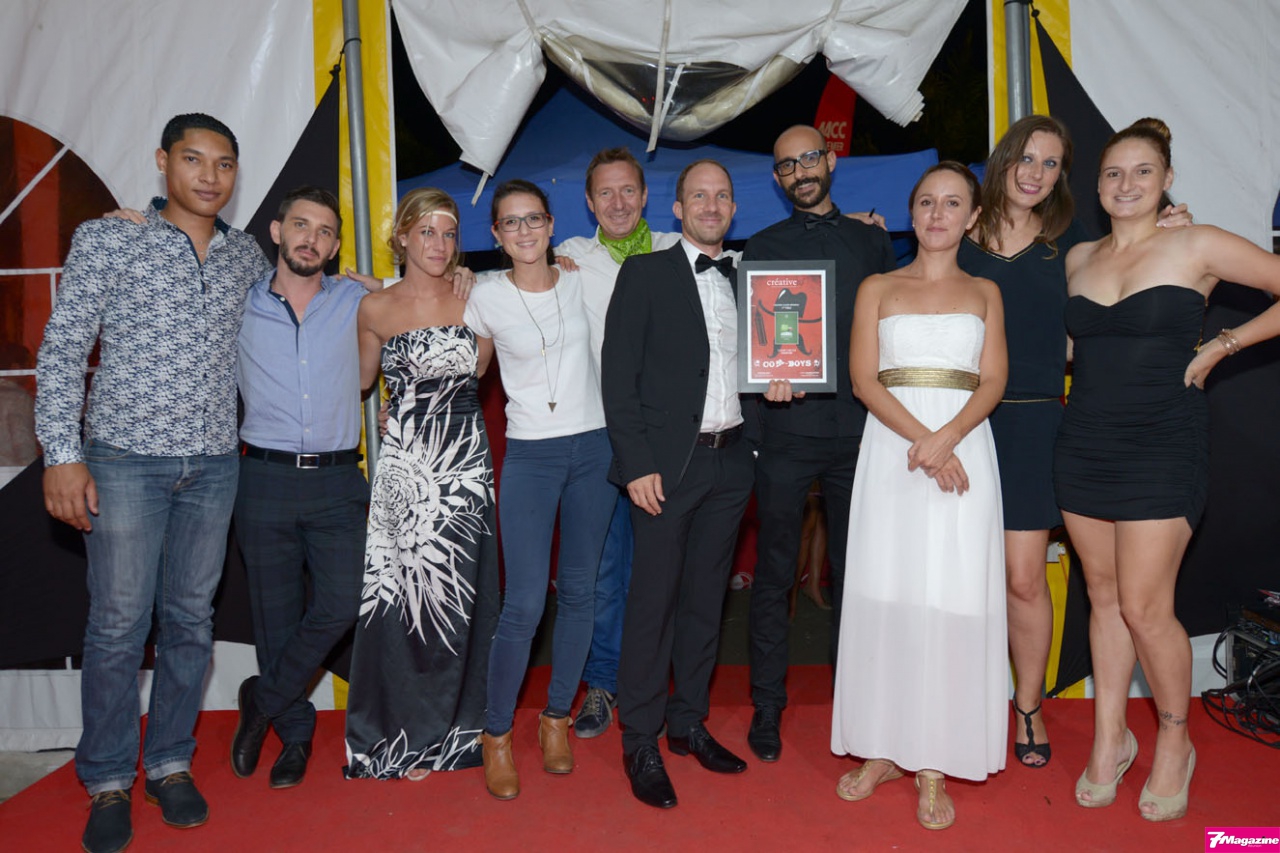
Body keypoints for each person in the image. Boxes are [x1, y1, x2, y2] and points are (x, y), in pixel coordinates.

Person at [35, 113, 269, 853]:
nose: (210, 175)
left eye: (224, 164)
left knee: (192, 623)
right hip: (123, 461)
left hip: (214, 465)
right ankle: (108, 778)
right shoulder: (110, 238)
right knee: (117, 626)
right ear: (163, 162)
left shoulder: (246, 257)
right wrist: (61, 454)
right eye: (194, 159)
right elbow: (63, 348)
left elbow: (297, 308)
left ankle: (170, 763)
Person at [1055, 118, 1280, 821]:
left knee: (1146, 606)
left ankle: (1175, 741)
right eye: (1113, 173)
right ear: (1097, 185)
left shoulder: (1196, 243)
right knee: (1103, 595)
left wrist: (1225, 343)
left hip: (1163, 443)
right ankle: (1111, 738)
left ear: (1168, 179)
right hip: (1084, 442)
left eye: (1142, 171)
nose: (1126, 184)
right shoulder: (1078, 257)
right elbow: (1069, 348)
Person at [960, 115, 1193, 769]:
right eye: (1025, 158)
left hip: (1034, 425)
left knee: (1023, 580)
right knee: (954, 578)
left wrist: (1172, 230)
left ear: (1064, 175)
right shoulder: (957, 234)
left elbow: (1121, 288)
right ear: (1003, 160)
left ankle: (1028, 706)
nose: (1035, 173)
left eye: (1051, 163)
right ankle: (954, 705)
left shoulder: (1072, 245)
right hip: (958, 425)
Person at [831, 162, 1007, 831]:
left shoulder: (986, 291)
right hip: (893, 452)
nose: (938, 213)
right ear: (912, 213)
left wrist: (948, 438)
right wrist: (926, 442)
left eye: (953, 203)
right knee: (886, 592)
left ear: (973, 217)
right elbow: (863, 378)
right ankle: (881, 744)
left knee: (951, 597)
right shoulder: (877, 286)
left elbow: (994, 379)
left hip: (965, 452)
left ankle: (935, 759)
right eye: (927, 202)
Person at [603, 159, 756, 809]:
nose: (711, 205)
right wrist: (637, 462)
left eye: (722, 196)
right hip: (664, 470)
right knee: (653, 605)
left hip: (732, 462)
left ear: (733, 208)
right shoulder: (644, 273)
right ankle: (639, 738)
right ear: (677, 207)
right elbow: (618, 375)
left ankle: (687, 721)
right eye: (699, 195)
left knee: (705, 602)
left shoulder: (751, 278)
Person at [741, 125, 896, 763]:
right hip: (786, 434)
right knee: (774, 574)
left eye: (809, 158)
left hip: (861, 433)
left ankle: (857, 706)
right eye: (786, 166)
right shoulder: (761, 247)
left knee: (858, 575)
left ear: (830, 160)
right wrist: (764, 386)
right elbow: (753, 343)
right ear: (778, 179)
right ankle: (766, 705)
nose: (800, 172)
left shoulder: (874, 241)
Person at [463, 179, 616, 799]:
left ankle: (556, 719)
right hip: (530, 455)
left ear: (552, 225)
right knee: (524, 602)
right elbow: (467, 370)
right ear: (496, 235)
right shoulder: (483, 297)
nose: (524, 230)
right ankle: (496, 733)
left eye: (534, 219)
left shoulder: (582, 278)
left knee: (580, 592)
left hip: (595, 448)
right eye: (511, 222)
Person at [343, 188, 500, 781]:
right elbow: (361, 382)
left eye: (449, 232)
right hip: (405, 472)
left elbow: (479, 369)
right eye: (427, 231)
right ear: (402, 236)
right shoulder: (374, 309)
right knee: (406, 603)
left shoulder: (477, 300)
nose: (439, 243)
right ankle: (402, 732)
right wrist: (397, 407)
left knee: (459, 601)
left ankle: (457, 730)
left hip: (463, 473)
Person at [228, 186, 371, 790]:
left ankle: (261, 700)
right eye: (301, 225)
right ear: (277, 231)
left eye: (325, 231)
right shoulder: (236, 300)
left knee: (344, 603)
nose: (312, 238)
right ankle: (295, 734)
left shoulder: (359, 299)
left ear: (335, 247)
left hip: (339, 479)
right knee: (276, 619)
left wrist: (466, 276)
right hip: (263, 477)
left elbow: (426, 297)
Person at [554, 147, 682, 739]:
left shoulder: (677, 250)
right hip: (599, 436)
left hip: (664, 438)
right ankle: (603, 684)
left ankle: (645, 682)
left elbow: (758, 272)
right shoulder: (570, 259)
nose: (618, 202)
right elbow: (500, 285)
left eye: (628, 190)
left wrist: (845, 226)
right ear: (588, 202)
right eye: (605, 193)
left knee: (655, 570)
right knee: (603, 572)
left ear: (646, 195)